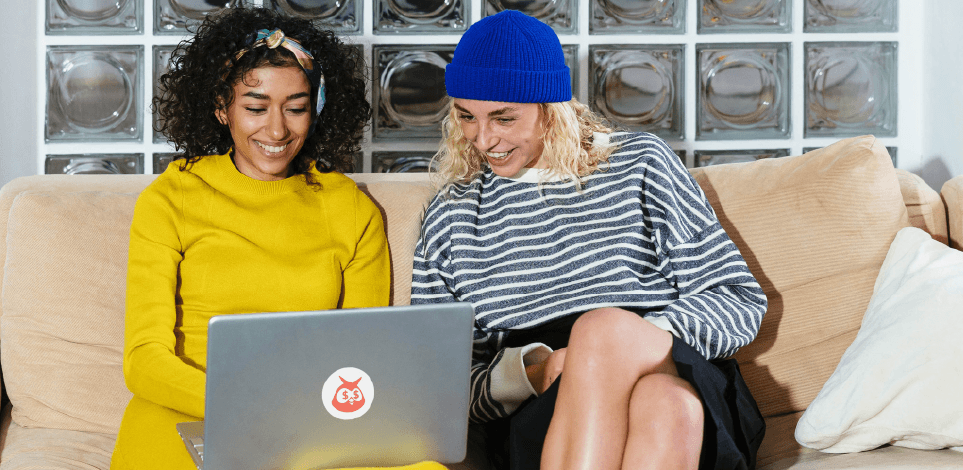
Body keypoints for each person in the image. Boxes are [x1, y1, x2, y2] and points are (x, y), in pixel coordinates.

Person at [412, 10, 768, 470]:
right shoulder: (451, 216)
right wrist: (533, 373)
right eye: (466, 117)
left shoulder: (640, 164)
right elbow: (438, 388)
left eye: (503, 119)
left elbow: (737, 301)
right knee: (666, 406)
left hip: (672, 358)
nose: (483, 139)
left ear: (550, 107)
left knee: (604, 334)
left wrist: (612, 346)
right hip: (549, 407)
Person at [111, 8, 443, 470]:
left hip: (304, 421)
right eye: (255, 107)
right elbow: (144, 360)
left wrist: (307, 416)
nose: (276, 130)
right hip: (188, 413)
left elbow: (358, 354)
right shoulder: (171, 198)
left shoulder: (349, 208)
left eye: (296, 107)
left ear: (318, 107)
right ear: (220, 107)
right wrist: (251, 411)